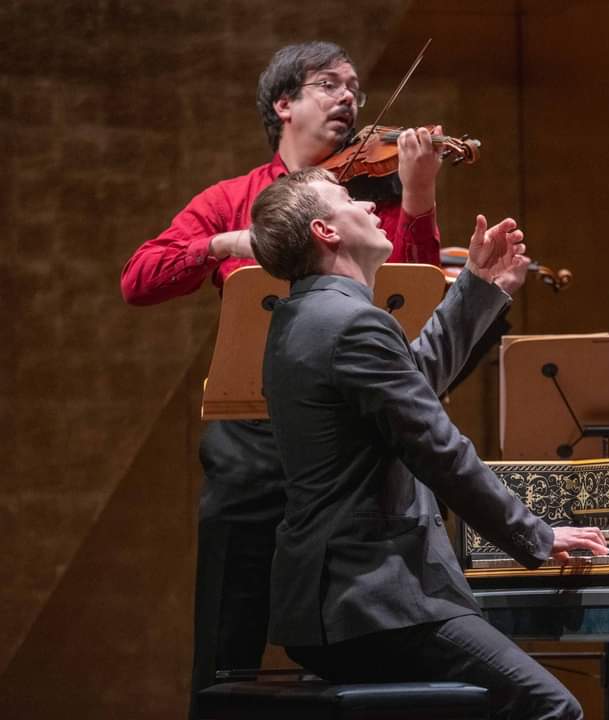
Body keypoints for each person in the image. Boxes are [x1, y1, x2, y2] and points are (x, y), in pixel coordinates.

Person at [118, 41, 444, 718]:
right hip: (255, 445)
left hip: (351, 453)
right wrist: (223, 243)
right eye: (329, 84)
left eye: (355, 87)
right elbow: (138, 280)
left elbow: (415, 300)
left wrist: (416, 196)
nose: (350, 98)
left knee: (366, 639)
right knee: (226, 637)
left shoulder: (365, 205)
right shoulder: (233, 198)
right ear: (283, 104)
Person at [250, 167, 609, 720]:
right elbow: (439, 449)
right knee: (552, 709)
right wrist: (533, 535)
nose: (371, 207)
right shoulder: (353, 324)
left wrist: (477, 288)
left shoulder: (301, 318)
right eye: (350, 199)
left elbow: (409, 381)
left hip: (322, 604)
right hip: (379, 600)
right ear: (326, 231)